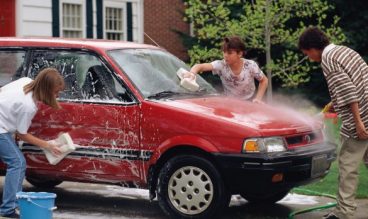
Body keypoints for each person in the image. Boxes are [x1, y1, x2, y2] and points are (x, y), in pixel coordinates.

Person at [298, 26, 368, 219]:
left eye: (306, 53)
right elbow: (352, 85)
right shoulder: (345, 51)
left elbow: (348, 92)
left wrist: (358, 122)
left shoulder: (328, 60)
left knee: (347, 166)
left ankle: (344, 214)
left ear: (313, 48)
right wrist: (327, 110)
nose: (308, 57)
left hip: (361, 118)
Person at [0, 68, 64, 218]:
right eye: (55, 92)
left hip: (3, 126)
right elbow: (23, 135)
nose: (57, 96)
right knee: (18, 162)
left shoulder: (26, 81)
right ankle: (8, 208)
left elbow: (3, 90)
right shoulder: (28, 106)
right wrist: (48, 145)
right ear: (46, 90)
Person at [186, 36, 268, 103]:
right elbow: (200, 66)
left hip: (250, 100)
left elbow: (264, 80)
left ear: (239, 54)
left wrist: (258, 99)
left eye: (229, 53)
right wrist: (192, 73)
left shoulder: (250, 65)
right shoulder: (221, 65)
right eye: (224, 52)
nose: (225, 55)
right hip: (230, 102)